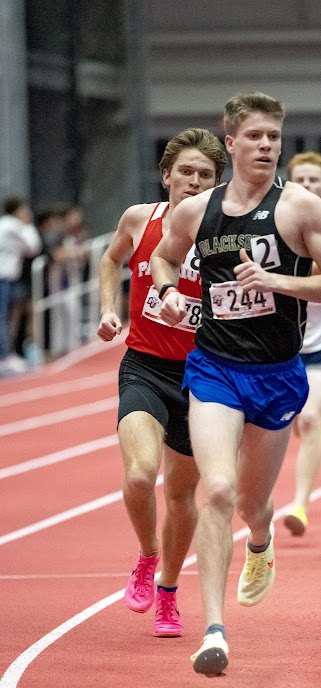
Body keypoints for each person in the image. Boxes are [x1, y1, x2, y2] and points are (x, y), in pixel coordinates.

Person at [150, 91, 321, 676]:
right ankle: (214, 631)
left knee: (250, 502)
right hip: (214, 368)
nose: (267, 146)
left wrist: (276, 282)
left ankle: (261, 540)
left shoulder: (301, 209)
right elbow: (166, 258)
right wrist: (167, 294)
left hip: (278, 374)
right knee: (213, 489)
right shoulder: (197, 212)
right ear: (231, 143)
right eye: (257, 137)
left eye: (275, 137)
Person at [97, 128, 227, 637]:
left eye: (206, 175)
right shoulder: (139, 219)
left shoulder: (224, 231)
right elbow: (111, 260)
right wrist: (109, 310)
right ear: (166, 174)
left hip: (204, 376)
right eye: (187, 172)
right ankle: (148, 556)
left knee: (180, 495)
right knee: (138, 474)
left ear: (218, 184)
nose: (194, 183)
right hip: (146, 364)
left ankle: (169, 594)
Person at [283, 152, 321, 536]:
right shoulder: (277, 227)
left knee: (309, 418)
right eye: (299, 179)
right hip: (277, 352)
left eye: (314, 181)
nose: (306, 186)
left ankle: (300, 505)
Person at [0, 197, 41, 376]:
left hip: (6, 277)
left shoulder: (6, 225)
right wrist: (29, 225)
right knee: (2, 318)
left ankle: (6, 355)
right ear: (17, 210)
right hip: (3, 277)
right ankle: (5, 357)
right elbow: (33, 247)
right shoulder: (13, 226)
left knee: (5, 317)